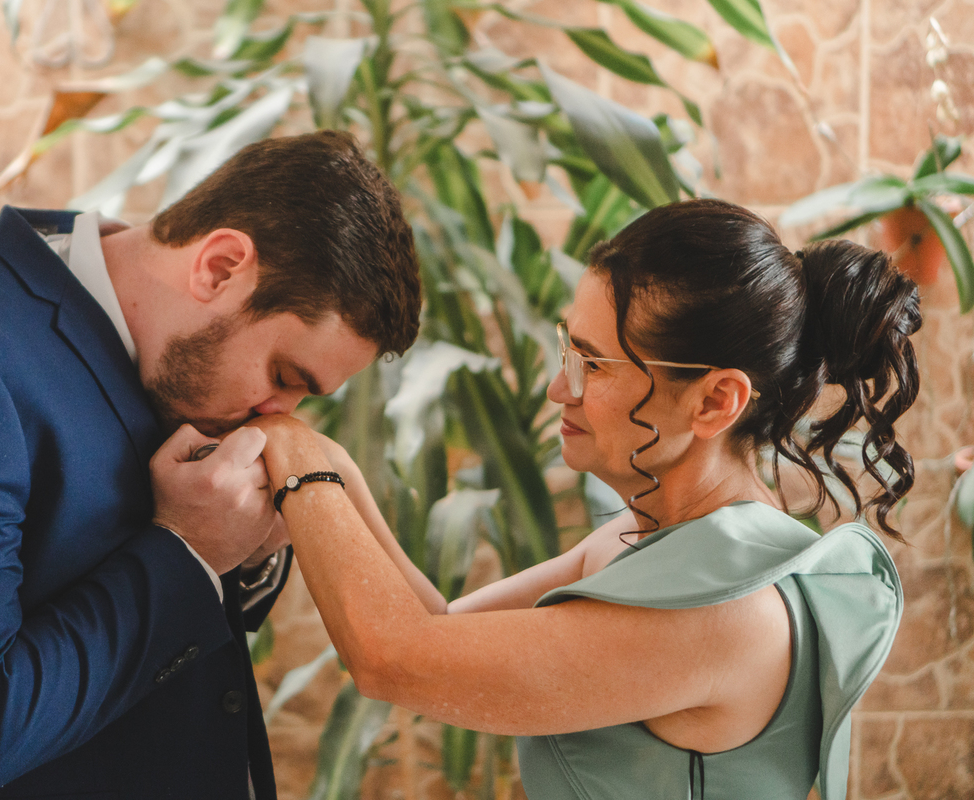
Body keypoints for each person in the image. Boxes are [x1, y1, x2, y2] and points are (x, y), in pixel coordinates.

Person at [249, 198, 921, 800]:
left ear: (715, 401)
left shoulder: (725, 611)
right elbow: (436, 628)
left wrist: (292, 450)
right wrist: (335, 466)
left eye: (594, 364)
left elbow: (391, 661)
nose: (559, 388)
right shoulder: (653, 540)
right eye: (568, 349)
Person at [0, 130, 421, 800]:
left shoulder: (172, 359)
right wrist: (190, 552)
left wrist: (246, 552)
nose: (277, 415)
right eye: (283, 376)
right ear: (220, 267)